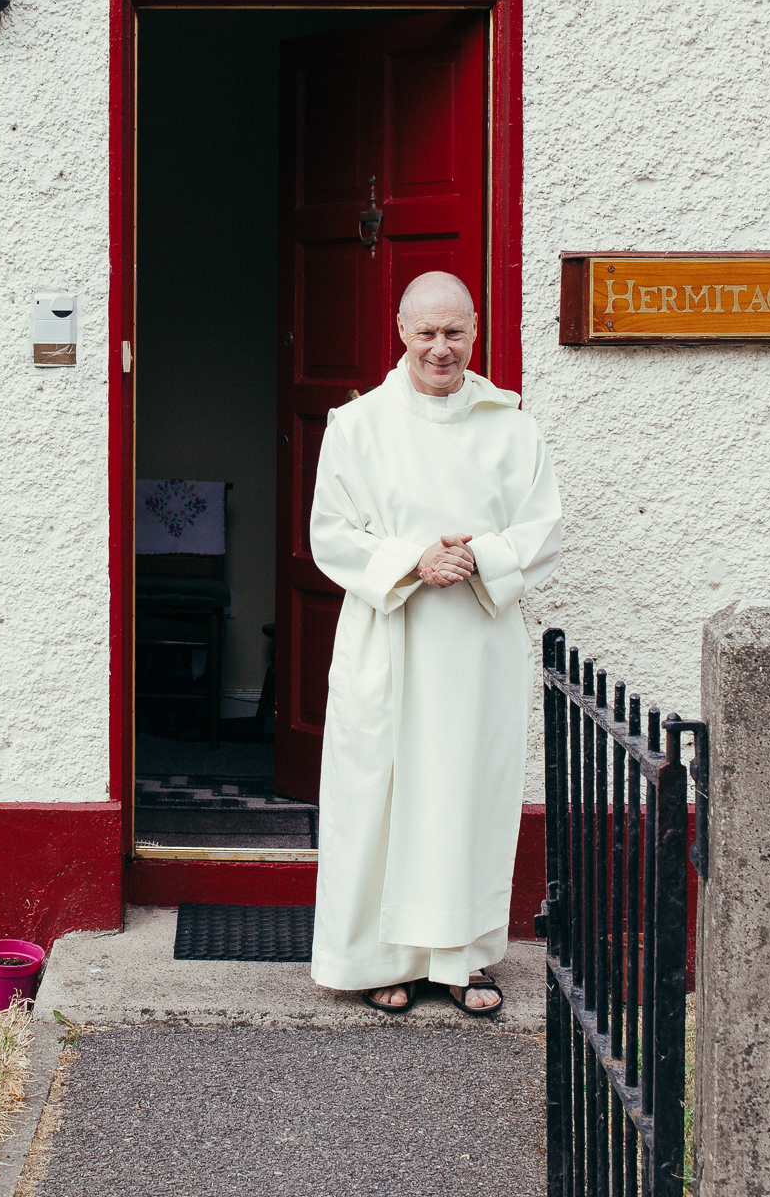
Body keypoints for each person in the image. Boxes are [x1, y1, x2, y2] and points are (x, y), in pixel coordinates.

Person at [305, 270, 564, 1016]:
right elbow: (331, 533)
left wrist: (476, 556)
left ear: (475, 330)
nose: (441, 348)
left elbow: (541, 527)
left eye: (455, 332)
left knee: (465, 796)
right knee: (381, 794)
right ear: (400, 331)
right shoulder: (357, 426)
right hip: (392, 635)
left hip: (475, 643)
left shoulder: (512, 427)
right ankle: (379, 960)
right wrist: (414, 561)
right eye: (427, 333)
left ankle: (462, 961)